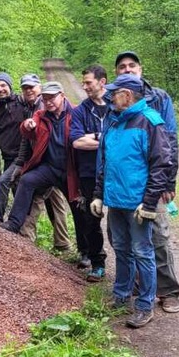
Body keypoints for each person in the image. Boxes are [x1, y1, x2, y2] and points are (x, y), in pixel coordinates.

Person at [91, 75, 172, 329]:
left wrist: (149, 204)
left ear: (127, 94)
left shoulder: (150, 122)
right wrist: (98, 194)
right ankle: (121, 295)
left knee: (143, 252)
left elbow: (161, 165)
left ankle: (145, 305)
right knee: (122, 250)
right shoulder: (114, 122)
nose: (110, 97)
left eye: (114, 93)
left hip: (138, 204)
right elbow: (106, 162)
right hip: (116, 201)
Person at [114, 51, 179, 313]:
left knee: (158, 235)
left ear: (140, 70)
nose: (127, 69)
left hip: (154, 180)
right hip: (125, 186)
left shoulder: (159, 98)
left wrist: (169, 181)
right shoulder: (115, 103)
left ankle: (168, 291)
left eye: (132, 66)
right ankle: (136, 285)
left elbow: (171, 139)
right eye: (122, 67)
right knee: (123, 238)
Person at [0, 81, 79, 237]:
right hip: (49, 168)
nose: (48, 102)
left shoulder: (76, 113)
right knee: (27, 180)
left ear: (62, 96)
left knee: (77, 206)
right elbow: (27, 132)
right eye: (45, 99)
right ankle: (14, 223)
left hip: (70, 169)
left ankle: (85, 250)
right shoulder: (41, 115)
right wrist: (26, 126)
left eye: (51, 98)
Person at [70, 64, 110, 281]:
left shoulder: (116, 105)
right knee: (91, 218)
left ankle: (133, 272)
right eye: (83, 83)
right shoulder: (80, 111)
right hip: (89, 172)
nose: (84, 86)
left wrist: (93, 137)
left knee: (123, 219)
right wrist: (108, 139)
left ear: (102, 82)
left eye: (88, 82)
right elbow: (77, 142)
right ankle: (98, 263)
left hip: (117, 172)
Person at [0, 73, 25, 223]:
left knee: (4, 182)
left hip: (22, 156)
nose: (0, 89)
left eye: (3, 85)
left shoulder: (22, 104)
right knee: (16, 189)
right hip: (7, 157)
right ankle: (19, 223)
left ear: (10, 86)